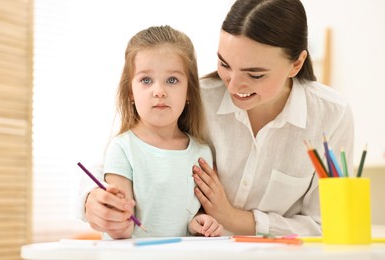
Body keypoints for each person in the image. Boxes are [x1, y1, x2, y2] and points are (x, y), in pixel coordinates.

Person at [77, 0, 354, 237]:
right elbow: (125, 153)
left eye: (254, 75)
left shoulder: (331, 116)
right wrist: (92, 201)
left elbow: (326, 224)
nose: (233, 86)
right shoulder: (197, 97)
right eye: (224, 65)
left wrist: (235, 219)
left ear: (296, 63)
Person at [83, 25, 224, 239]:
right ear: (130, 91)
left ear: (189, 91)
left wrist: (200, 223)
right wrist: (117, 220)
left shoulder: (202, 152)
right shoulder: (122, 149)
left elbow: (192, 217)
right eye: (146, 80)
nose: (159, 91)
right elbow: (120, 227)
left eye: (172, 80)